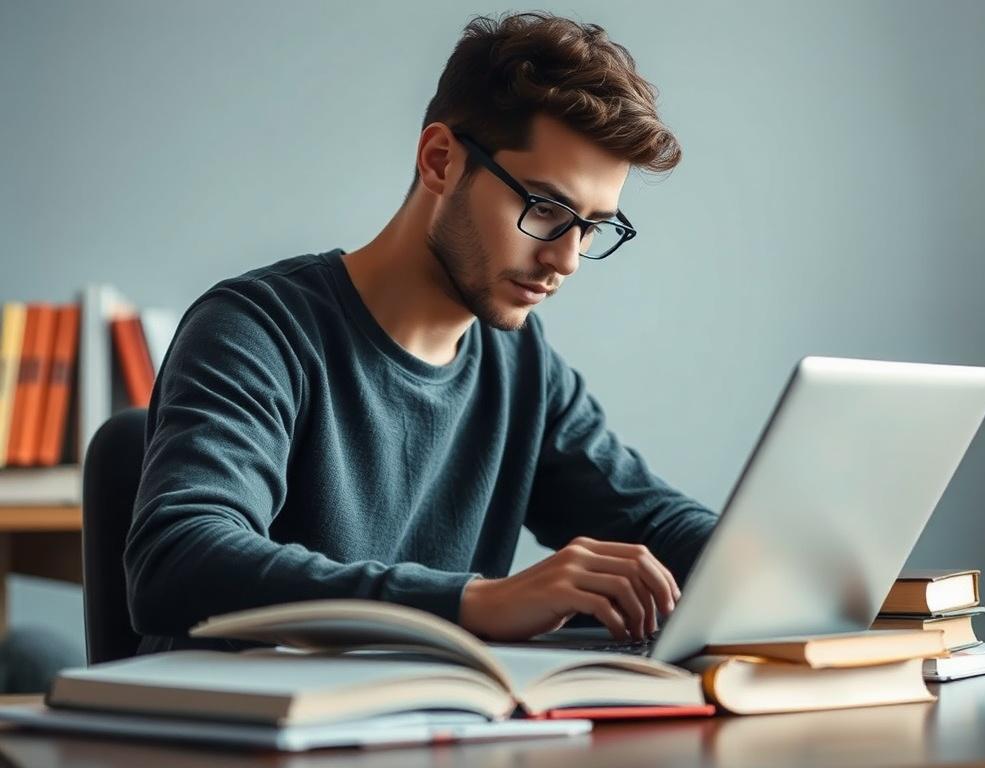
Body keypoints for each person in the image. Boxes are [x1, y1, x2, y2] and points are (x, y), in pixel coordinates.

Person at [124, 12, 718, 655]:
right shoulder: (256, 330)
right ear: (440, 161)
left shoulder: (520, 364)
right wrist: (473, 602)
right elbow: (179, 558)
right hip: (250, 743)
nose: (566, 259)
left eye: (593, 226)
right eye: (545, 208)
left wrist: (793, 561)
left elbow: (653, 521)